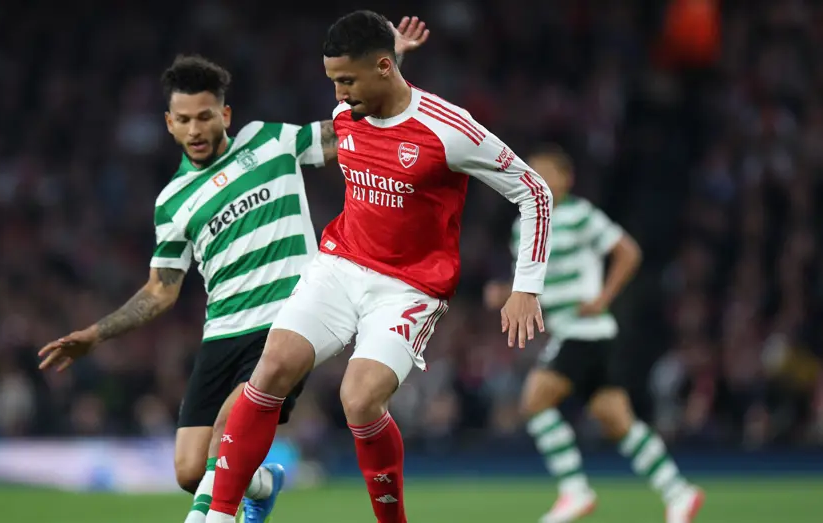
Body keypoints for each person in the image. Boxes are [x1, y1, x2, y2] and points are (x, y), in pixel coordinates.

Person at [37, 18, 428, 523]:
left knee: (228, 428)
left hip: (284, 322)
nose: (196, 129)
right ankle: (263, 483)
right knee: (189, 470)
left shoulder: (270, 141)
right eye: (184, 119)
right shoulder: (172, 201)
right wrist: (96, 334)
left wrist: (390, 64)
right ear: (169, 123)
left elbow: (350, 128)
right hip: (221, 334)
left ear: (225, 114)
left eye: (205, 116)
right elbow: (160, 290)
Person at [203, 10, 552, 523]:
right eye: (334, 80)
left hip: (409, 287)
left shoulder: (449, 130)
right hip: (341, 262)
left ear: (383, 68)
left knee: (360, 398)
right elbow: (374, 82)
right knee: (273, 366)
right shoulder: (350, 111)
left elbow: (534, 191)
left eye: (347, 80)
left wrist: (527, 286)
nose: (339, 94)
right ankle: (218, 516)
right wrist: (386, 61)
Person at [484, 145, 704, 523]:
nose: (538, 179)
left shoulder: (580, 214)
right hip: (572, 330)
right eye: (532, 172)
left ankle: (575, 491)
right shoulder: (523, 226)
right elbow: (534, 282)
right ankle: (678, 491)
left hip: (584, 330)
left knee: (535, 400)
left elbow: (628, 251)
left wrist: (604, 297)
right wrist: (506, 292)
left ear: (566, 179)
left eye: (546, 172)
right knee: (616, 418)